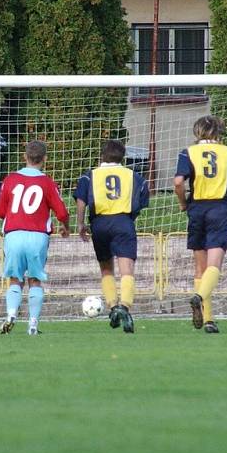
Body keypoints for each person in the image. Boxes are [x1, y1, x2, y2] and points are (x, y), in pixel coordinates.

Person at [174, 115, 227, 334]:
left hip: (197, 209)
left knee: (200, 268)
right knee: (214, 264)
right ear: (219, 132)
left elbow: (178, 182)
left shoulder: (187, 152)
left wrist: (183, 203)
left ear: (197, 132)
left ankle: (208, 318)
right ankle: (199, 300)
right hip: (220, 209)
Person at [73, 139, 149, 334]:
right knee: (127, 270)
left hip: (100, 223)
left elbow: (81, 201)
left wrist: (81, 224)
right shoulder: (134, 176)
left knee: (106, 269)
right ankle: (125, 306)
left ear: (102, 156)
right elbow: (141, 200)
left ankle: (113, 306)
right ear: (122, 157)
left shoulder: (90, 176)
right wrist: (130, 217)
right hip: (123, 222)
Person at [0, 141, 70, 335]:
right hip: (37, 237)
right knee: (35, 280)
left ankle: (11, 314)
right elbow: (62, 212)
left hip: (14, 235)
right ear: (45, 159)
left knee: (14, 279)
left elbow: (1, 212)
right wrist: (65, 227)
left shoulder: (10, 180)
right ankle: (33, 324)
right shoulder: (47, 182)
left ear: (24, 156)